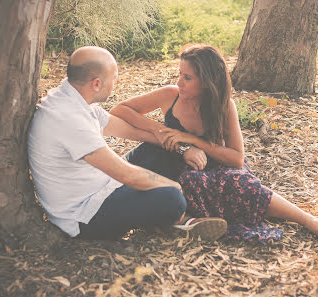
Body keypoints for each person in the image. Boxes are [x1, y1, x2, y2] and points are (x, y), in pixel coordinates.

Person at [110, 44, 318, 245]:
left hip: (216, 166)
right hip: (174, 166)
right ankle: (187, 220)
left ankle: (310, 221)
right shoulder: (170, 95)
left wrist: (193, 139)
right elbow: (120, 109)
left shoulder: (224, 106)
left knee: (239, 183)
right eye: (179, 74)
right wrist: (161, 131)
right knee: (188, 183)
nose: (179, 82)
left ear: (208, 82)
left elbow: (236, 158)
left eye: (187, 78)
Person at [27, 46, 227, 241]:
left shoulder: (73, 97)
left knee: (159, 150)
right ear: (96, 83)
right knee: (172, 199)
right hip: (84, 216)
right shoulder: (69, 119)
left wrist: (182, 147)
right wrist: (171, 185)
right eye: (114, 78)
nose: (117, 82)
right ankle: (181, 219)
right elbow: (126, 175)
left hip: (101, 186)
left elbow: (128, 130)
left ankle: (171, 216)